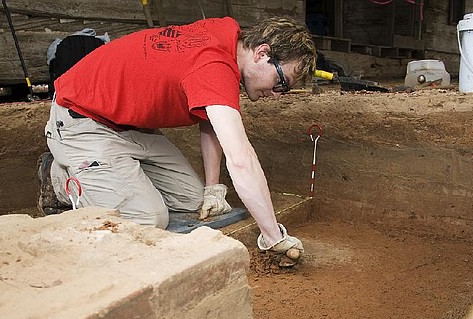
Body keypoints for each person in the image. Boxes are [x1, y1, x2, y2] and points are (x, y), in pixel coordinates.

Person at [39, 16, 316, 261]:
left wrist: (213, 189)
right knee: (147, 218)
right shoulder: (214, 67)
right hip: (82, 117)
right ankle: (58, 178)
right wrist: (273, 236)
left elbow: (210, 120)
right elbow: (241, 160)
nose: (278, 93)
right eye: (282, 82)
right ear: (262, 53)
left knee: (193, 202)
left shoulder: (227, 34)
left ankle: (116, 176)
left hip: (130, 124)